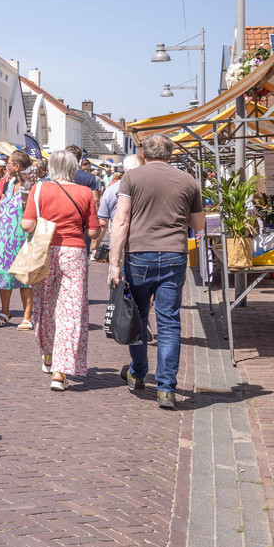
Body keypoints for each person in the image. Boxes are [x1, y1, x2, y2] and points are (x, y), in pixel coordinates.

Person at [108, 135, 203, 410]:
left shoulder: (132, 178)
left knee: (138, 317)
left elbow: (122, 219)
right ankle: (166, 388)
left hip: (139, 254)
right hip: (174, 253)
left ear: (144, 153)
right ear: (170, 154)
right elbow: (198, 224)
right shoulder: (188, 181)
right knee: (170, 322)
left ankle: (138, 373)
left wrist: (114, 263)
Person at [21, 150, 100, 392]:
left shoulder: (40, 189)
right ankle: (61, 371)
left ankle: (47, 354)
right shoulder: (85, 192)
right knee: (71, 310)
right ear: (74, 167)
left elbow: (27, 225)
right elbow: (94, 232)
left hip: (45, 250)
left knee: (45, 306)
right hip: (74, 252)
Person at [0, 150, 37, 329]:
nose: (6, 166)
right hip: (5, 238)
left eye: (8, 163)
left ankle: (27, 316)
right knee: (3, 275)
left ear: (16, 167)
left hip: (22, 238)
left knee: (25, 277)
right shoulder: (10, 183)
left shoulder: (30, 186)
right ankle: (5, 310)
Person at [96, 153, 144, 261]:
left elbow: (103, 223)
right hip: (143, 248)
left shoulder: (111, 190)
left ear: (124, 169)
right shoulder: (150, 189)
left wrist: (95, 247)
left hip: (118, 248)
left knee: (116, 276)